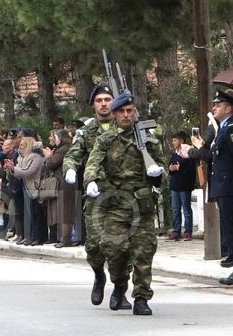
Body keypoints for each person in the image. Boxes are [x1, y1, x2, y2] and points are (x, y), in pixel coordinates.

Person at [84, 91, 165, 315]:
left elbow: (162, 166)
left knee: (143, 253)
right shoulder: (105, 140)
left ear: (135, 112)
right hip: (116, 205)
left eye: (130, 111)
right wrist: (90, 180)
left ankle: (141, 298)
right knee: (114, 250)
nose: (126, 115)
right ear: (114, 114)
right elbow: (93, 163)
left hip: (142, 206)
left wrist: (158, 173)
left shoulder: (148, 139)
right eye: (121, 111)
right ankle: (119, 284)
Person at [62, 84, 128, 308]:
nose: (103, 103)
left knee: (121, 247)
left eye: (107, 99)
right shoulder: (87, 131)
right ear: (93, 105)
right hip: (96, 195)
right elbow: (73, 154)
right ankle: (99, 275)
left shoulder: (126, 126)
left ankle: (121, 289)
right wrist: (70, 168)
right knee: (94, 247)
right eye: (99, 100)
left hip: (123, 196)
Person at [203, 90, 233, 285]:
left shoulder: (231, 129)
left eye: (218, 104)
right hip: (223, 185)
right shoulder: (222, 129)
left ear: (229, 108)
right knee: (230, 228)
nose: (214, 107)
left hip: (229, 185)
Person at [44, 129, 76, 247]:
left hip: (65, 183)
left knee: (66, 211)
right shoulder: (65, 148)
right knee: (64, 211)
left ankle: (65, 239)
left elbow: (51, 164)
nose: (55, 140)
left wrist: (48, 156)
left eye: (56, 138)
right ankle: (63, 238)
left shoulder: (63, 149)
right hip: (65, 182)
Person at [168, 131, 196, 241]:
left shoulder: (188, 154)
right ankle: (176, 231)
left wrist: (179, 168)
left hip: (185, 186)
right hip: (175, 185)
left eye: (175, 140)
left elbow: (190, 169)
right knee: (175, 209)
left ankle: (188, 232)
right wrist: (171, 169)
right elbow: (170, 166)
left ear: (181, 141)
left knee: (186, 209)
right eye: (173, 140)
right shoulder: (174, 154)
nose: (173, 142)